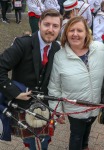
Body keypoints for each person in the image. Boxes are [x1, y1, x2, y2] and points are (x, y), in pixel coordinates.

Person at [0, 9, 62, 150]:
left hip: (45, 107)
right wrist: (15, 92)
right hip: (23, 105)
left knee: (44, 141)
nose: (50, 30)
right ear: (39, 24)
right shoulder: (23, 44)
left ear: (59, 28)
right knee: (32, 144)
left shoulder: (57, 48)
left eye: (55, 26)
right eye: (47, 24)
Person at [48, 16, 104, 150]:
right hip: (75, 109)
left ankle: (85, 145)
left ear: (87, 33)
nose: (75, 34)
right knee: (76, 135)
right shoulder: (60, 57)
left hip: (95, 104)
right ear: (66, 34)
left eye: (79, 30)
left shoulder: (99, 48)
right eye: (71, 30)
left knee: (88, 128)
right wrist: (56, 111)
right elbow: (54, 86)